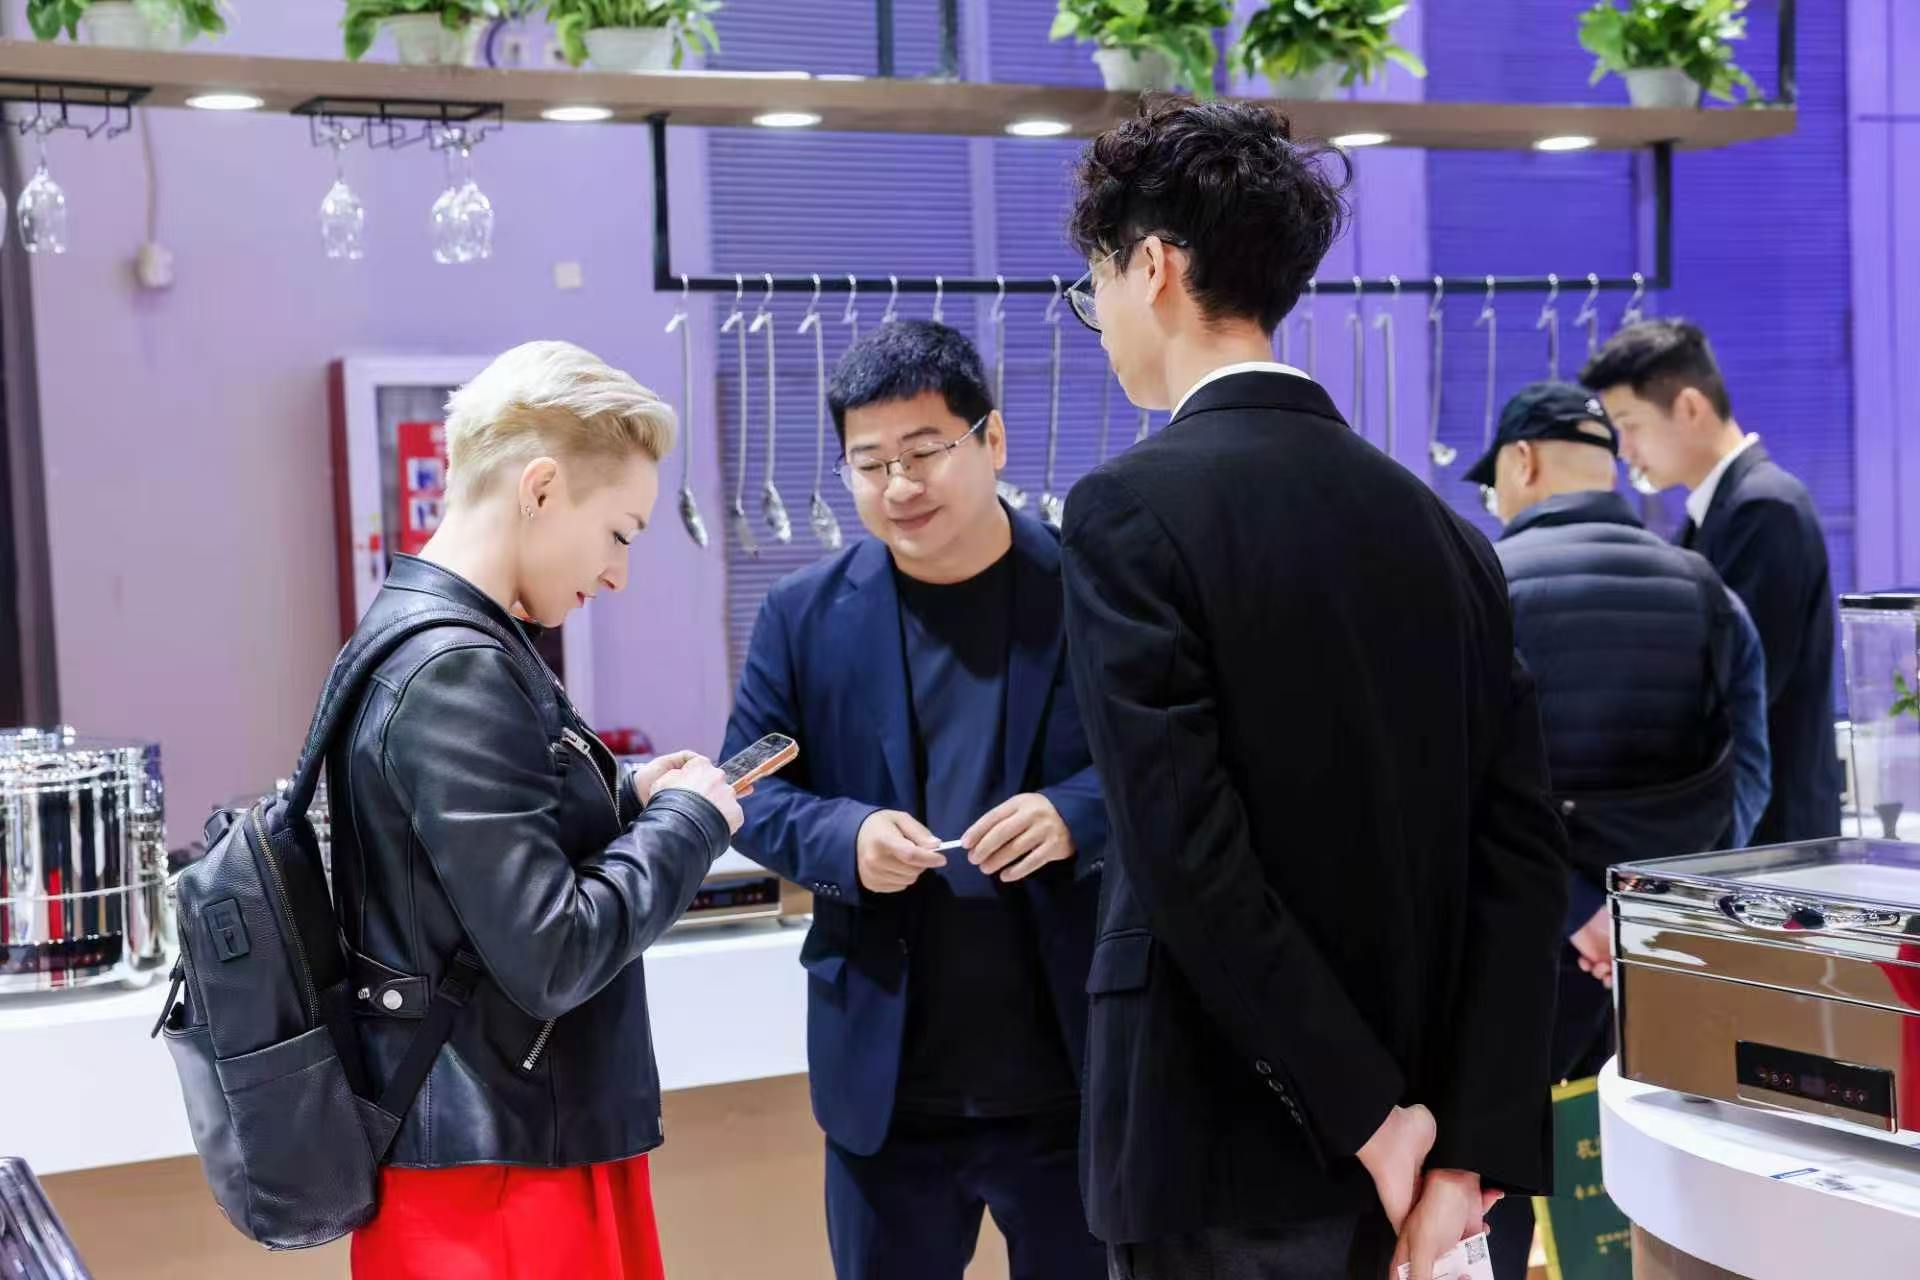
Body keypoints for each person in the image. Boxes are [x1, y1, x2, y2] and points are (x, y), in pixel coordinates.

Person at [1056, 97, 1568, 1280]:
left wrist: (1372, 1119)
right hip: (1426, 1168)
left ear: (1153, 267)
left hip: (1225, 1146)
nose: (1099, 320)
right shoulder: (1445, 533)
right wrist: (1464, 1148)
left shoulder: (1129, 509)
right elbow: (1524, 854)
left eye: (1095, 286)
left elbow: (1187, 850)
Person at [333, 341, 746, 1279]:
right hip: (501, 1181)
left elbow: (472, 870)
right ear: (543, 488)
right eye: (621, 534)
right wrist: (687, 825)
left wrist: (628, 798)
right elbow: (551, 952)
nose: (618, 574)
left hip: (505, 1141)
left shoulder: (436, 639)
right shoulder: (456, 670)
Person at [723, 320, 1108, 1280]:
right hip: (887, 1090)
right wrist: (845, 836)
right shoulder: (804, 615)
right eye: (870, 463)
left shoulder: (1096, 591)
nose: (899, 485)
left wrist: (1073, 815)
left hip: (1073, 1075)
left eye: (925, 450)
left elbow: (1174, 758)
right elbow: (748, 791)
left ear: (992, 439)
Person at [1465, 381, 1772, 1279]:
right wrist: (1648, 912)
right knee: (1673, 1195)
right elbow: (1748, 779)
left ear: (1522, 463)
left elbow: (1455, 792)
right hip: (1668, 968)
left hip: (1520, 967)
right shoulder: (1706, 589)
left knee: (1502, 1184)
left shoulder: (1482, 587)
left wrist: (1576, 912)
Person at [1583, 319, 1841, 845]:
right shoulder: (1713, 514)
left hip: (1774, 838)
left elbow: (1743, 684)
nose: (1624, 450)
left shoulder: (1765, 509)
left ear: (1690, 408)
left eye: (1630, 425)